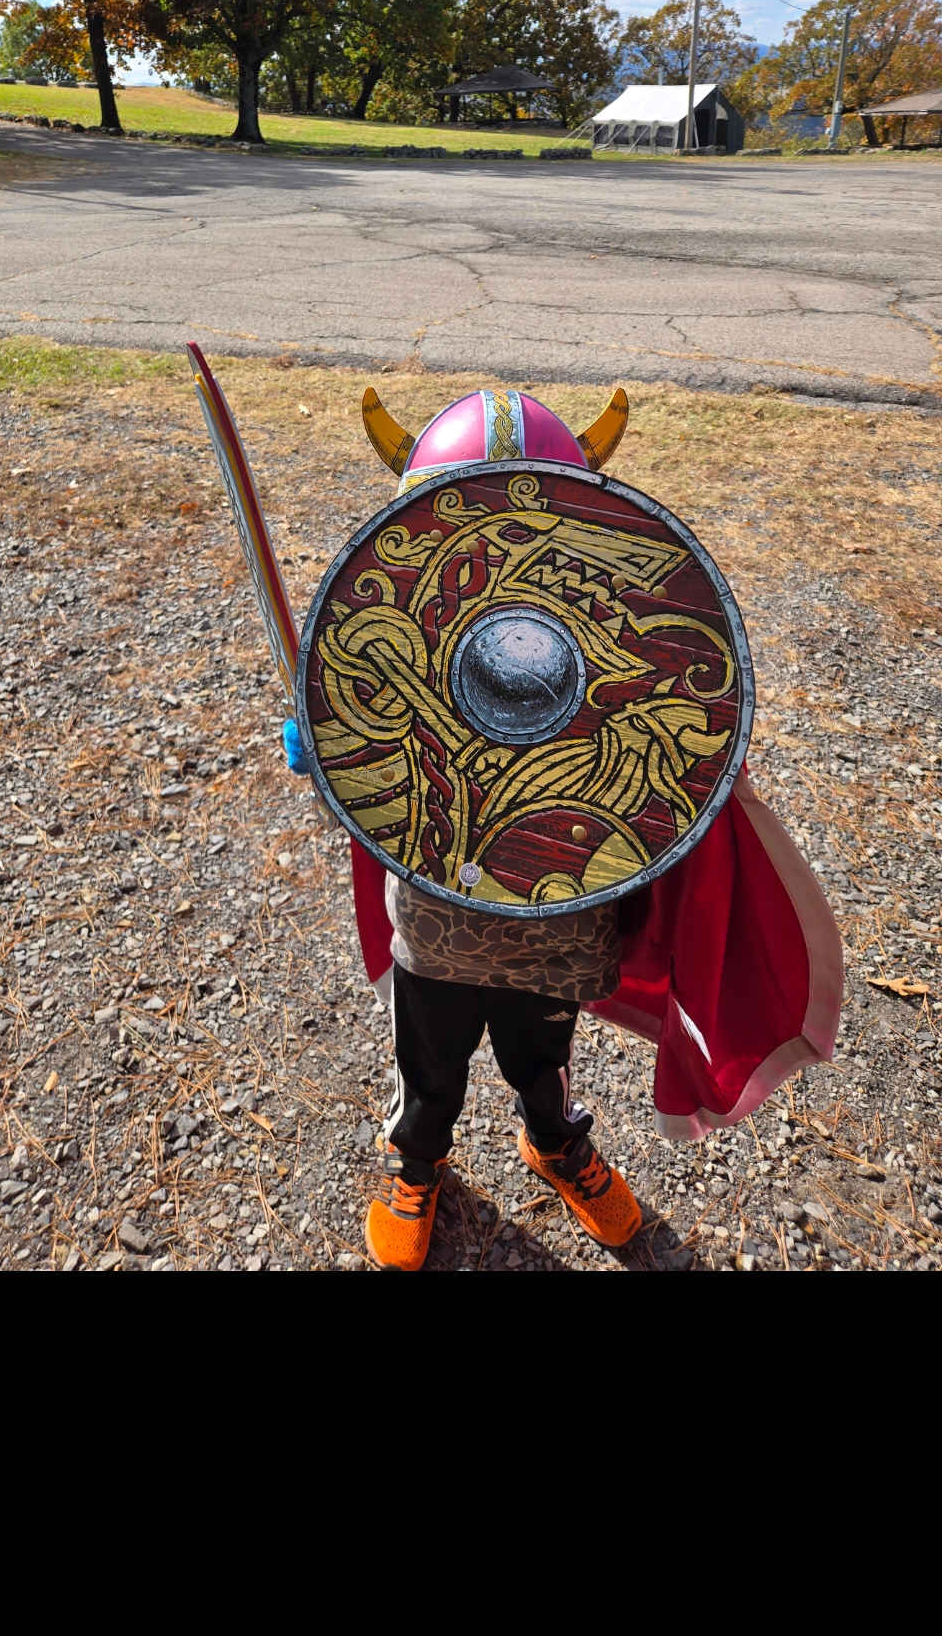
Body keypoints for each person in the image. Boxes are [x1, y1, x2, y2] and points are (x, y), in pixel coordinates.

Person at [284, 384, 843, 1274]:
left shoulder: (613, 644)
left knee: (539, 1053)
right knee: (431, 1062)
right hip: (439, 919)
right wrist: (333, 746)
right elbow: (376, 794)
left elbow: (671, 738)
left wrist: (699, 776)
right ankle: (418, 1161)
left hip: (563, 912)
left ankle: (553, 1141)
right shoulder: (402, 645)